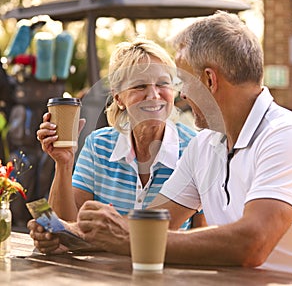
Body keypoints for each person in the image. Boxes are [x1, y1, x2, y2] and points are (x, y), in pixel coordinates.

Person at [29, 11, 292, 274]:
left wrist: (125, 239)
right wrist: (68, 233)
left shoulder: (286, 135)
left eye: (179, 82)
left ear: (209, 79)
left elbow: (252, 243)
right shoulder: (205, 146)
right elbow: (157, 223)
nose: (179, 95)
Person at [34, 37, 200, 229]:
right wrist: (63, 163)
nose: (154, 95)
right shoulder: (98, 145)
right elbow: (64, 229)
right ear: (118, 98)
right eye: (140, 86)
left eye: (163, 84)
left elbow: (202, 240)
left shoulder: (194, 148)